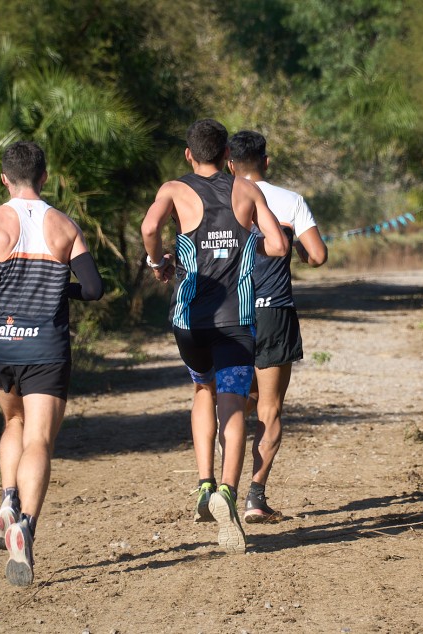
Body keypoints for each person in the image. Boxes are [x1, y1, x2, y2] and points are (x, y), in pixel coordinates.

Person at [0, 141, 104, 586]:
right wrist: (63, 292)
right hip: (45, 347)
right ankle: (25, 526)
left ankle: (7, 500)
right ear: (45, 176)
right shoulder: (65, 225)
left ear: (4, 178)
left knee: (13, 422)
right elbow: (93, 289)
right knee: (39, 437)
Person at [141, 119, 288, 554]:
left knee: (202, 389)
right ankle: (227, 491)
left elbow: (150, 230)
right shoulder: (246, 190)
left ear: (189, 154)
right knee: (234, 402)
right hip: (236, 318)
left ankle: (204, 482)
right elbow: (278, 244)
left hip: (189, 318)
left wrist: (158, 262)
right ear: (227, 154)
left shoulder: (173, 190)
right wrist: (248, 245)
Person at [227, 130, 328, 523]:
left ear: (230, 164)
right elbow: (317, 256)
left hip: (228, 314)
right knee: (269, 407)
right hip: (274, 312)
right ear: (266, 162)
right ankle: (255, 497)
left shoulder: (219, 197)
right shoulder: (290, 200)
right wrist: (299, 249)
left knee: (233, 403)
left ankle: (223, 488)